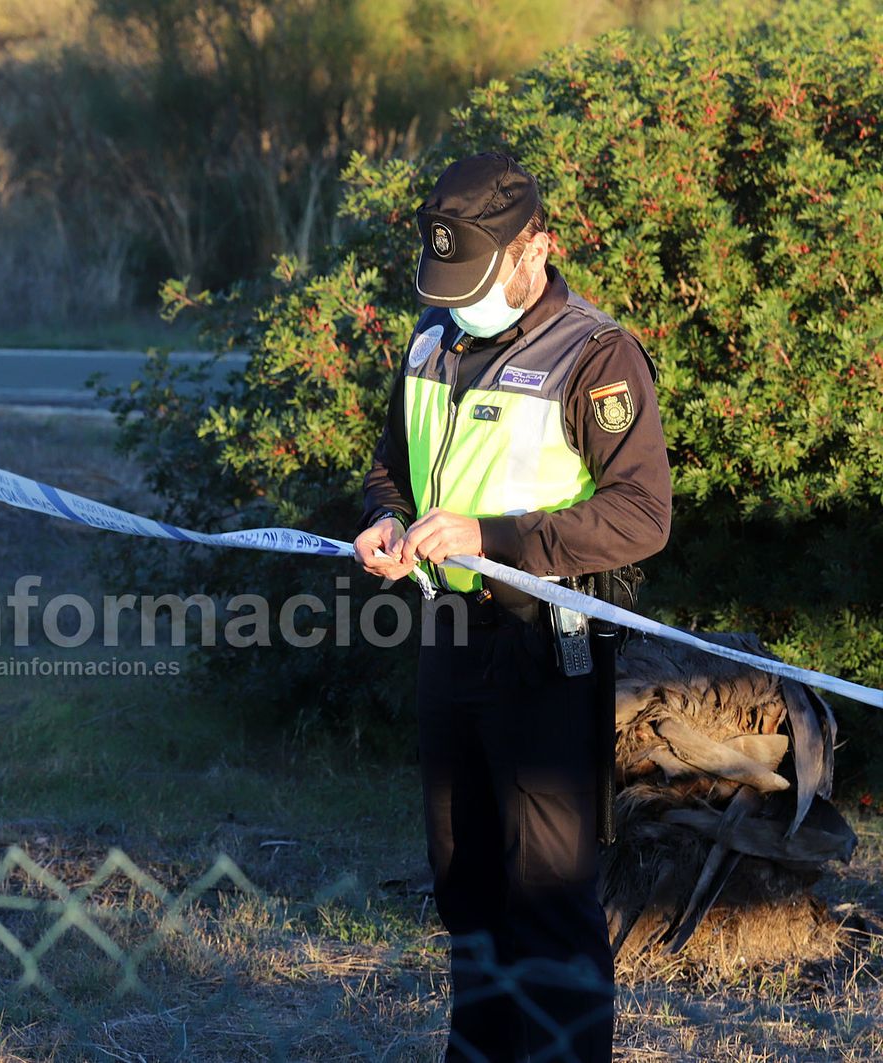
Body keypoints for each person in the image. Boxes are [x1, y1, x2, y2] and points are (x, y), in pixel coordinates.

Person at [353, 152, 672, 1061]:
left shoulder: (595, 354)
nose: (462, 304)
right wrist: (385, 518)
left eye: (478, 282)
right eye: (448, 284)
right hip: (447, 642)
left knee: (548, 902)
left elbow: (643, 515)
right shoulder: (431, 337)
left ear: (538, 248)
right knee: (466, 888)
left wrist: (491, 539)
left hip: (544, 655)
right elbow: (391, 467)